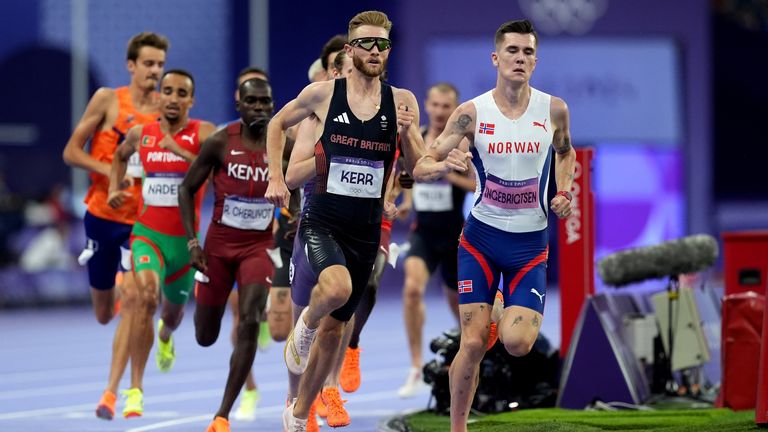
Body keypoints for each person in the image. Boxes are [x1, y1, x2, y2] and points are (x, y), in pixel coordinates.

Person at [265, 11, 425, 431]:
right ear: (350, 50)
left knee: (336, 336)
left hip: (366, 230)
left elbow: (418, 165)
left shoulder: (402, 101)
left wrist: (429, 150)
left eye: (383, 44)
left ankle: (298, 415)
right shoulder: (322, 95)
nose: (375, 51)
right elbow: (278, 123)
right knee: (336, 289)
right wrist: (277, 180)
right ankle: (306, 324)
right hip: (322, 221)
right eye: (367, 44)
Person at [412, 19, 576, 431]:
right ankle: (458, 428)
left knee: (517, 344)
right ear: (496, 58)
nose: (520, 59)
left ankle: (499, 307)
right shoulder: (471, 113)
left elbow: (565, 151)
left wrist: (565, 190)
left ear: (535, 61)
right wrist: (443, 164)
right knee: (471, 343)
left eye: (528, 53)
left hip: (529, 246)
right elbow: (422, 164)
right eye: (512, 51)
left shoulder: (553, 109)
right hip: (480, 241)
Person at [61, 32, 169, 420]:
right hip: (102, 219)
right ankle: (122, 293)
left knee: (139, 301)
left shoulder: (166, 108)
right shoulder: (108, 99)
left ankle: (114, 393)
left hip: (143, 222)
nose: (155, 72)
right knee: (105, 312)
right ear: (131, 65)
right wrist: (109, 170)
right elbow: (71, 152)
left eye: (160, 64)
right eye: (149, 64)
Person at [107, 69, 216, 417]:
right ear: (160, 96)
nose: (172, 98)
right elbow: (120, 154)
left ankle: (165, 338)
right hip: (147, 234)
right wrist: (114, 187)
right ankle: (135, 389)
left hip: (184, 245)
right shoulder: (142, 134)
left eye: (180, 93)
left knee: (171, 315)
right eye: (166, 91)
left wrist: (179, 152)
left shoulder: (204, 133)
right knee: (146, 298)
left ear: (191, 100)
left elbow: (215, 173)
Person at [177, 78, 275, 432]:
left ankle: (222, 414)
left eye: (265, 102)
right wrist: (192, 242)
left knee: (249, 317)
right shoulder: (220, 141)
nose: (260, 108)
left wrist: (293, 216)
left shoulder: (283, 143)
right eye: (252, 102)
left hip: (258, 247)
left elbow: (299, 185)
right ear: (240, 105)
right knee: (206, 335)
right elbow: (186, 190)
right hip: (217, 249)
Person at [398, 83, 476, 398]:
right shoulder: (416, 139)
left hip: (454, 236)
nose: (441, 111)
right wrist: (403, 201)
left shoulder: (463, 143)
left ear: (454, 109)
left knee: (461, 311)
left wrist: (444, 171)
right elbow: (407, 175)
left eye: (447, 107)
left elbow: (474, 185)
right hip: (423, 232)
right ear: (427, 106)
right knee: (412, 289)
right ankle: (416, 366)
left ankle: (465, 363)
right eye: (436, 105)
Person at [223, 66, 275, 422]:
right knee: (239, 318)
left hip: (273, 240)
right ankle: (250, 389)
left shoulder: (279, 136)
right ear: (239, 99)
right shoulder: (224, 140)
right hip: (235, 240)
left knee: (284, 321)